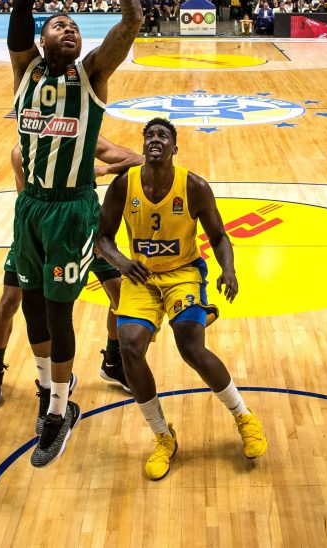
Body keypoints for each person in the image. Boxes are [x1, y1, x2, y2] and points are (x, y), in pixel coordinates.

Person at [6, 0, 142, 468]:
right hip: (31, 208)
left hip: (71, 211)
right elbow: (18, 16)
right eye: (58, 24)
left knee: (60, 314)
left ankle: (60, 411)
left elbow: (130, 22)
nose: (70, 28)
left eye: (75, 26)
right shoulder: (25, 72)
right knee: (32, 309)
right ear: (40, 42)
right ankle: (48, 388)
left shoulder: (92, 76)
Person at [96, 118, 267, 480]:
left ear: (175, 148)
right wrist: (123, 263)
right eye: (150, 136)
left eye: (163, 136)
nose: (155, 139)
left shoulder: (194, 186)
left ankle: (243, 416)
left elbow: (219, 236)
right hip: (141, 275)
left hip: (183, 273)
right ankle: (163, 436)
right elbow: (103, 238)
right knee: (129, 348)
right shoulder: (124, 185)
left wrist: (229, 270)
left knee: (191, 348)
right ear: (144, 147)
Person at [0, 137, 144, 407]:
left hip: (84, 228)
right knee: (10, 301)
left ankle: (113, 361)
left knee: (121, 297)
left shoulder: (80, 137)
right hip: (40, 230)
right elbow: (40, 193)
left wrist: (120, 166)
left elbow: (127, 156)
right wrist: (101, 170)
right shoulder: (21, 152)